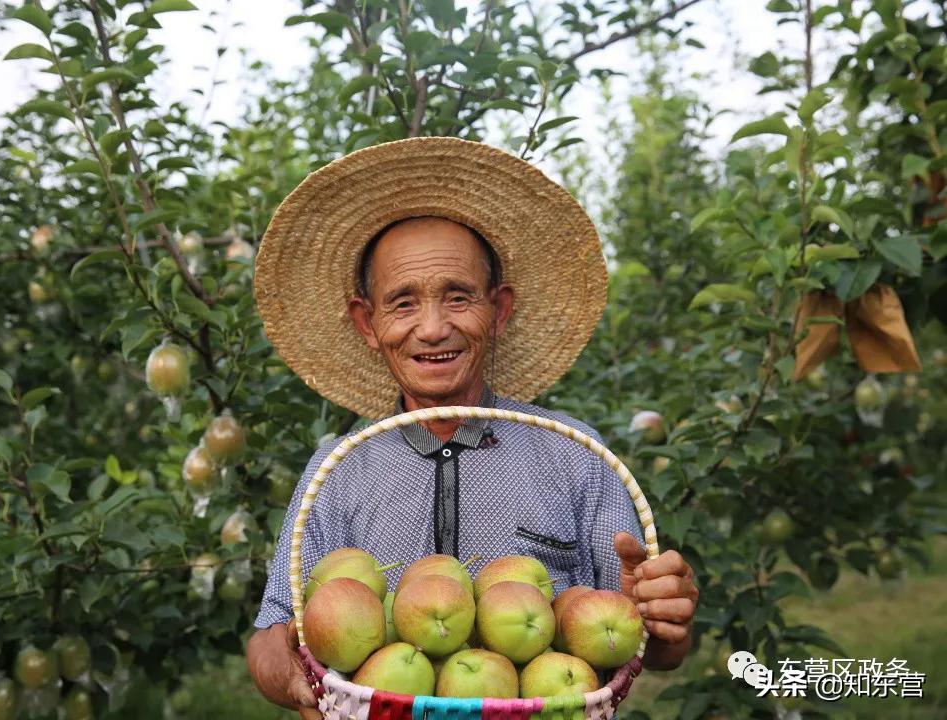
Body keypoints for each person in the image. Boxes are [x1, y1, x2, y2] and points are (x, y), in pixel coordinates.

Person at [246, 137, 698, 718]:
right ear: (367, 321)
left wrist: (665, 615)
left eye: (458, 297)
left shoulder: (573, 454)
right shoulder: (338, 471)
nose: (432, 328)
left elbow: (651, 648)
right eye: (403, 303)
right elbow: (269, 634)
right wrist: (290, 679)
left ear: (499, 309)